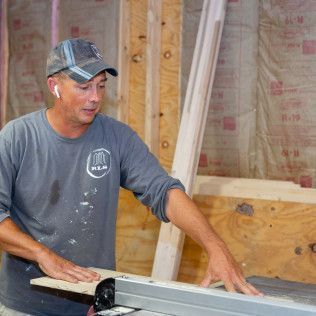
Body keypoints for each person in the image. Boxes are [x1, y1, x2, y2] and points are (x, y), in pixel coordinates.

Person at [0, 38, 262, 316]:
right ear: (54, 86)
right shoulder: (17, 138)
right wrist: (43, 255)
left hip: (93, 303)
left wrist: (215, 246)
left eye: (101, 85)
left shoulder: (117, 138)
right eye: (83, 86)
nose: (96, 97)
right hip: (26, 305)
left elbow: (164, 192)